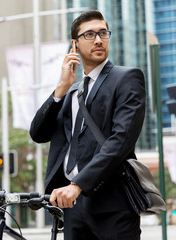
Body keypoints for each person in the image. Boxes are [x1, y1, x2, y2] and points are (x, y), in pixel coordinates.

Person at [29, 10, 145, 240]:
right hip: (72, 207)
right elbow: (38, 133)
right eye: (90, 34)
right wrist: (60, 89)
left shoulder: (127, 78)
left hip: (112, 207)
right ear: (75, 44)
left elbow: (120, 141)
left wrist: (78, 184)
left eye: (103, 33)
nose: (99, 39)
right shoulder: (71, 91)